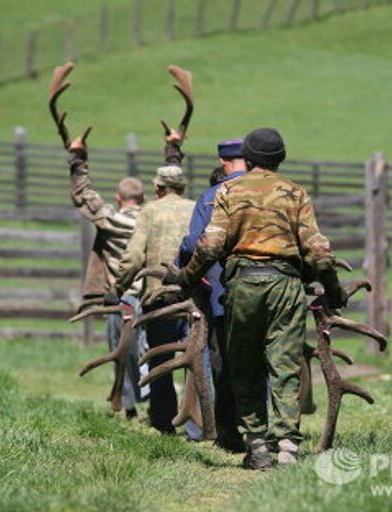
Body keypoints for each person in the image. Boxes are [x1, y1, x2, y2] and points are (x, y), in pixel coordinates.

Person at [169, 128, 348, 469]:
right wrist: (334, 291)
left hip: (243, 287)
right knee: (284, 365)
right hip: (285, 286)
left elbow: (210, 245)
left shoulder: (229, 190)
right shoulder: (295, 193)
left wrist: (186, 279)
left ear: (247, 158)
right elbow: (319, 251)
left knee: (244, 364)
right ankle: (287, 447)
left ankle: (256, 446)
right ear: (280, 159)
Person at [111, 128, 196, 435]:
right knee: (195, 359)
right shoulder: (196, 208)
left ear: (158, 187)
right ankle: (197, 426)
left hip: (158, 297)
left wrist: (118, 287)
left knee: (161, 358)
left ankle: (163, 420)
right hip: (192, 295)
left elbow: (133, 257)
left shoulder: (149, 211)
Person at [68, 134, 147, 418]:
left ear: (118, 198)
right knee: (147, 351)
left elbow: (85, 197)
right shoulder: (153, 218)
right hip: (150, 297)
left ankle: (128, 406)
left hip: (120, 298)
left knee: (119, 351)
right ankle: (152, 403)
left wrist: (79, 161)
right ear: (143, 197)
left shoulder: (112, 220)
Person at [177, 139, 248, 452]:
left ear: (223, 161)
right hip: (274, 292)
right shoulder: (277, 189)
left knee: (225, 364)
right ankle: (271, 430)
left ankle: (229, 433)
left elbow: (195, 245)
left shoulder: (211, 197)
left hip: (224, 293)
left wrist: (184, 264)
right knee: (266, 360)